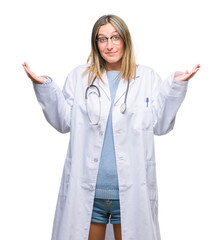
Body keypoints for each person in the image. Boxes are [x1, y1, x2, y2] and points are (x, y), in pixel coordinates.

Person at [22, 14, 200, 240]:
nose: (109, 45)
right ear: (95, 44)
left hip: (132, 191)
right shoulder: (80, 77)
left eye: (115, 37)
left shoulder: (146, 77)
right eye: (102, 39)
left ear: (125, 39)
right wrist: (44, 86)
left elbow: (161, 124)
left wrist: (177, 86)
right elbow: (63, 121)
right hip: (89, 191)